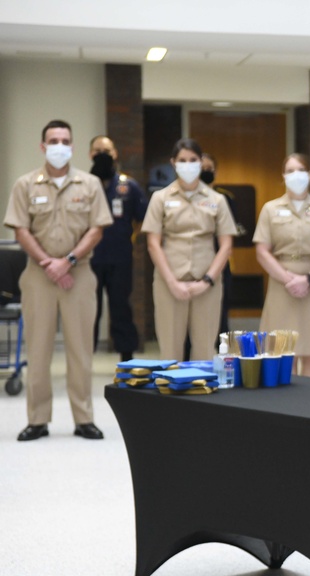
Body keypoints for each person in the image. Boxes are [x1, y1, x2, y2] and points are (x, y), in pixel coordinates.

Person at [3, 120, 111, 441]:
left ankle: (84, 418)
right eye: (53, 140)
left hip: (79, 274)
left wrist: (68, 262)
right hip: (38, 276)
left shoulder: (90, 184)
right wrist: (49, 263)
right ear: (43, 146)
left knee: (81, 350)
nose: (59, 146)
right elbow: (20, 229)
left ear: (72, 146)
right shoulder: (25, 185)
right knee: (38, 349)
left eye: (65, 140)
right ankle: (37, 419)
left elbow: (97, 228)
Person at [141, 138, 237, 361]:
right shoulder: (160, 198)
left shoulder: (217, 199)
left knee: (204, 350)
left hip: (207, 282)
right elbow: (153, 244)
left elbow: (226, 245)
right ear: (173, 163)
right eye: (182, 160)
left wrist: (208, 280)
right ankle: (172, 395)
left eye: (193, 160)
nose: (188, 164)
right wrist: (172, 283)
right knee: (170, 351)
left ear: (201, 162)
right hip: (170, 281)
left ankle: (199, 395)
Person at [253, 153, 310, 377]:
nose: (296, 175)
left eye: (300, 170)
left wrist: (308, 279)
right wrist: (289, 280)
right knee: (284, 352)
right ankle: (288, 409)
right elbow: (262, 251)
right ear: (283, 176)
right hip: (281, 285)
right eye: (290, 171)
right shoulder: (270, 209)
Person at [89, 135, 147, 362]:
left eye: (107, 150)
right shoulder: (85, 185)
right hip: (90, 257)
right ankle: (85, 357)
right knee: (89, 310)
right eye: (97, 150)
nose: (102, 154)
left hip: (120, 257)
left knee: (121, 308)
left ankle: (126, 357)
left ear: (115, 154)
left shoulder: (128, 186)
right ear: (90, 155)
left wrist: (132, 238)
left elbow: (144, 218)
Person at [200, 152, 237, 337]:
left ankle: (221, 348)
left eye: (209, 169)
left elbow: (230, 230)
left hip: (220, 259)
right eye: (202, 168)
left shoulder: (224, 198)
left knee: (222, 308)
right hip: (198, 258)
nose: (206, 172)